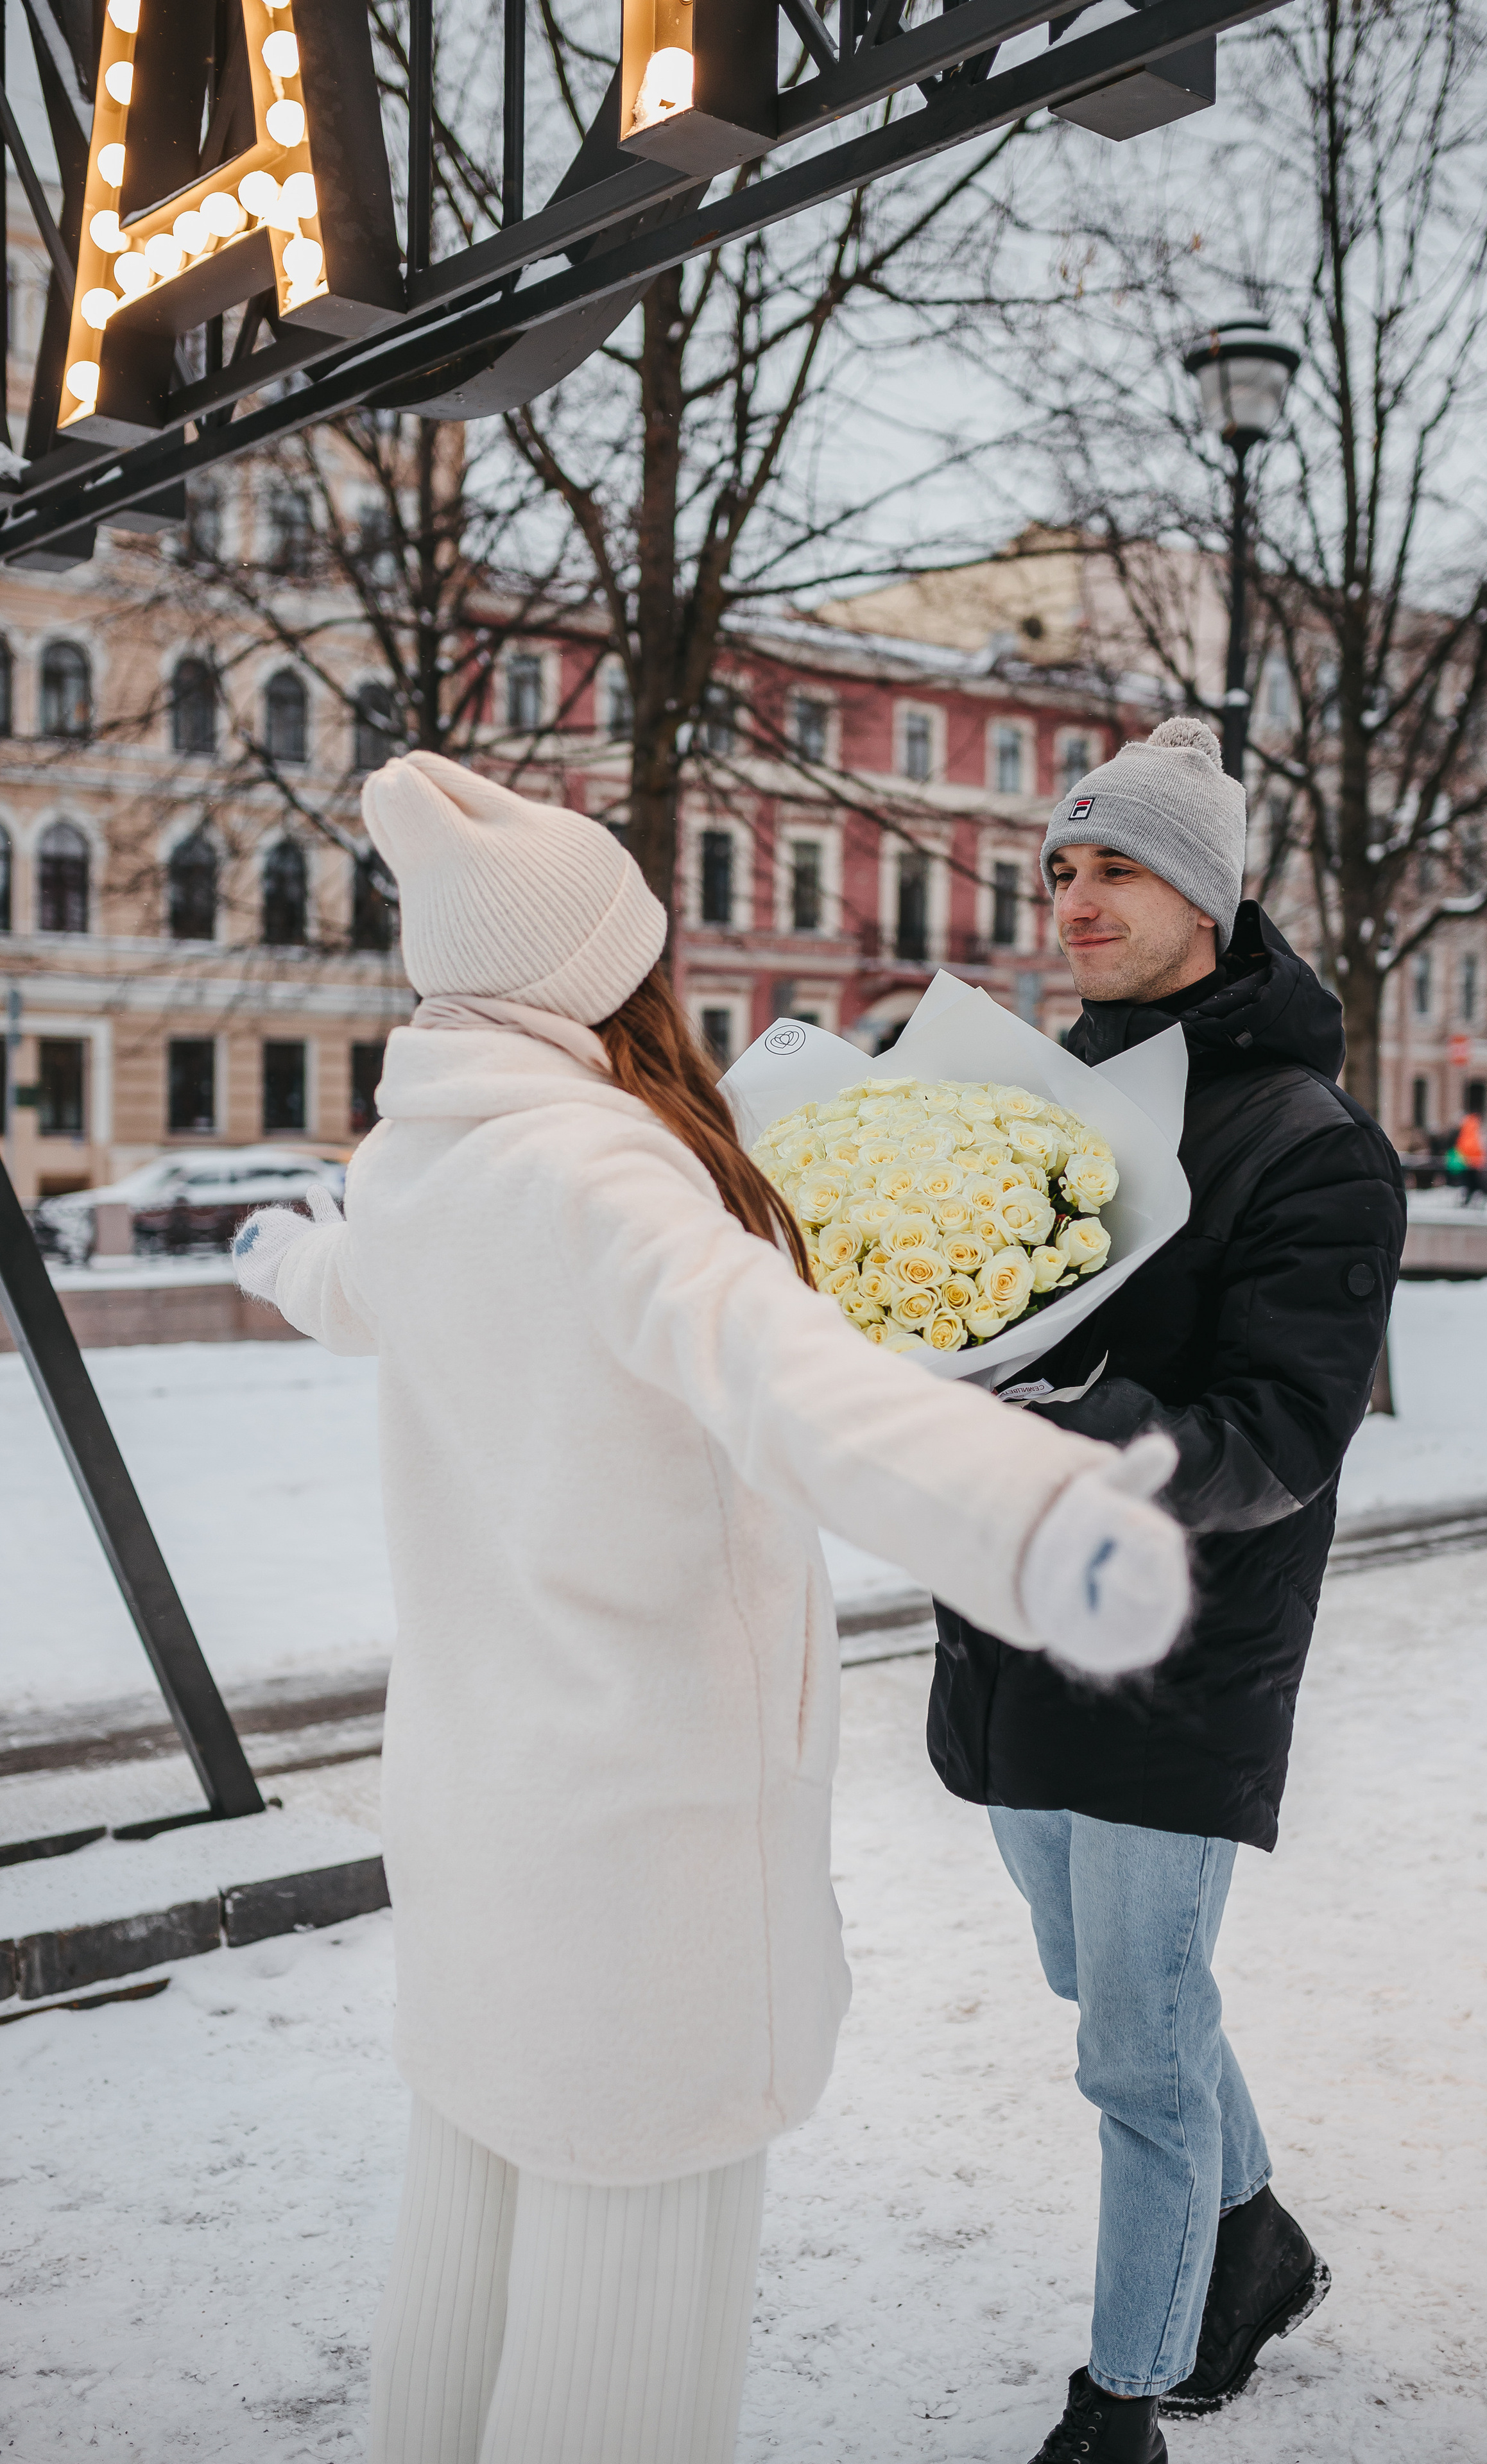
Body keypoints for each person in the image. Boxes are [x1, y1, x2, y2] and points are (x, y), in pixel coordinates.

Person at [230, 751, 1189, 2464]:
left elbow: (350, 1283)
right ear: (609, 972)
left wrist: (277, 1255)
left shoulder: (421, 1165)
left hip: (479, 1838)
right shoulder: (608, 1184)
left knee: (462, 2280)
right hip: (639, 1892)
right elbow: (801, 1386)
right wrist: (1035, 1517)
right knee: (621, 2372)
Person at [925, 716, 1406, 2464]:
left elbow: (1282, 1435)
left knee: (1135, 2048)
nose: (1074, 898)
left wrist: (1082, 1417)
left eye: (1116, 864)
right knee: (1100, 1976)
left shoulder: (1313, 1143)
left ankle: (1123, 2400)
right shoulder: (1038, 1099)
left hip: (1181, 1648)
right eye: (1061, 867)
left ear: (1212, 890)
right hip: (1012, 1605)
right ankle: (1255, 2234)